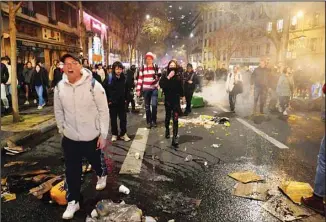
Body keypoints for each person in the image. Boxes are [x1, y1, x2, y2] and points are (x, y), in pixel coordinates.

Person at [54, 53, 109, 220]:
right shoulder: (59, 87)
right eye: (66, 63)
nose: (69, 66)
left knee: (95, 161)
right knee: (71, 171)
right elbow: (58, 111)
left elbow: (103, 111)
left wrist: (103, 134)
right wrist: (62, 128)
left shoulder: (93, 85)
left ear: (80, 65)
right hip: (70, 138)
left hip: (91, 136)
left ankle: (102, 173)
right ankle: (73, 201)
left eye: (73, 63)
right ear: (62, 67)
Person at [103, 61, 130, 142]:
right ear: (114, 69)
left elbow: (127, 90)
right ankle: (114, 134)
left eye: (120, 69)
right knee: (113, 119)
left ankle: (123, 134)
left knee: (123, 119)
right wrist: (108, 100)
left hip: (122, 102)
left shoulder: (124, 78)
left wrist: (126, 100)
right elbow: (104, 90)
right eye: (117, 69)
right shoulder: (109, 78)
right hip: (112, 103)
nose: (118, 71)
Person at [159, 60, 184, 148]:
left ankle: (175, 138)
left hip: (176, 101)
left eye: (174, 65)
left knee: (176, 119)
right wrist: (168, 77)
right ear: (168, 66)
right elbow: (161, 84)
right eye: (171, 65)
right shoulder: (165, 75)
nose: (172, 67)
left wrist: (183, 96)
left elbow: (181, 87)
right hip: (168, 100)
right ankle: (167, 129)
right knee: (168, 116)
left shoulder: (179, 75)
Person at [136, 52, 162, 129]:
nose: (148, 60)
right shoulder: (142, 68)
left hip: (154, 89)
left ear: (152, 59)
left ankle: (154, 121)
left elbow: (160, 77)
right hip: (146, 89)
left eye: (150, 59)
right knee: (147, 107)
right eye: (147, 59)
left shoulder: (156, 67)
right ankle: (148, 122)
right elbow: (140, 79)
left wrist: (157, 79)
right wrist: (138, 89)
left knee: (154, 105)